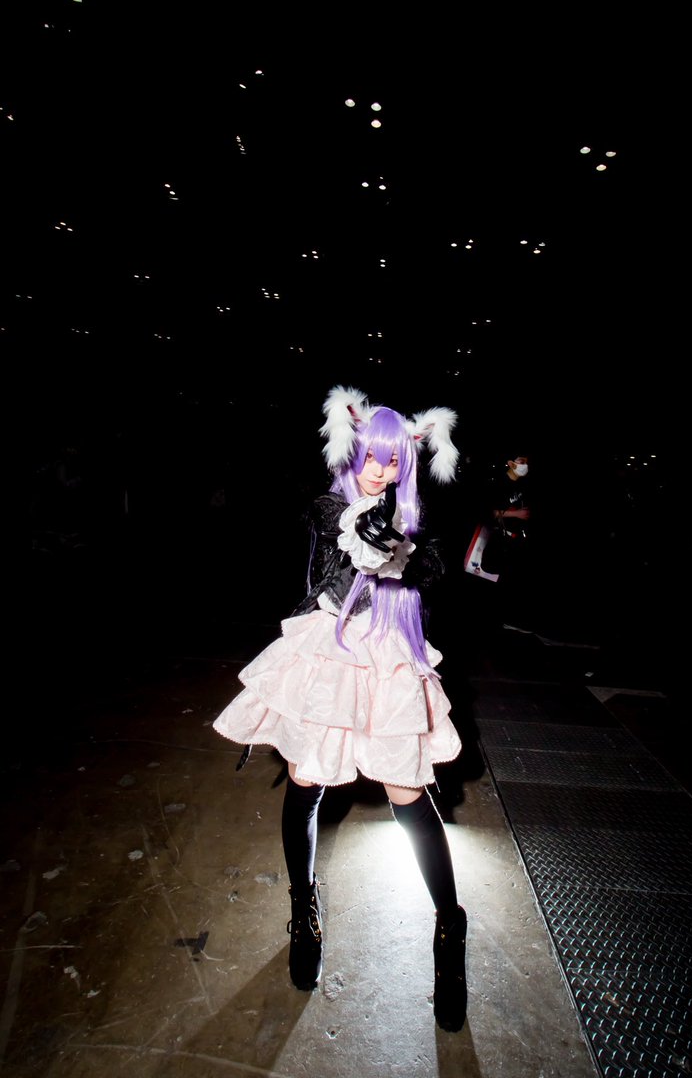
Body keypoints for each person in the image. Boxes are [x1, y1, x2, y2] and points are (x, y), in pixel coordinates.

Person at [212, 386, 467, 1032]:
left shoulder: (416, 516)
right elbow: (343, 538)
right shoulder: (331, 504)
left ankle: (449, 927)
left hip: (390, 656)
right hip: (333, 647)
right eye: (370, 457)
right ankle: (303, 909)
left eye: (392, 461)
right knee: (306, 781)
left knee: (408, 794)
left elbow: (431, 566)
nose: (379, 470)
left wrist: (401, 548)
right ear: (352, 452)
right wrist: (372, 536)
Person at [483, 454, 534, 633]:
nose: (525, 465)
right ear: (511, 464)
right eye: (521, 461)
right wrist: (516, 514)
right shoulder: (499, 484)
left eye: (526, 462)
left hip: (517, 538)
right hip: (502, 538)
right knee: (504, 578)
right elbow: (493, 512)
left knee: (514, 579)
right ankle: (502, 620)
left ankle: (509, 618)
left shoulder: (521, 484)